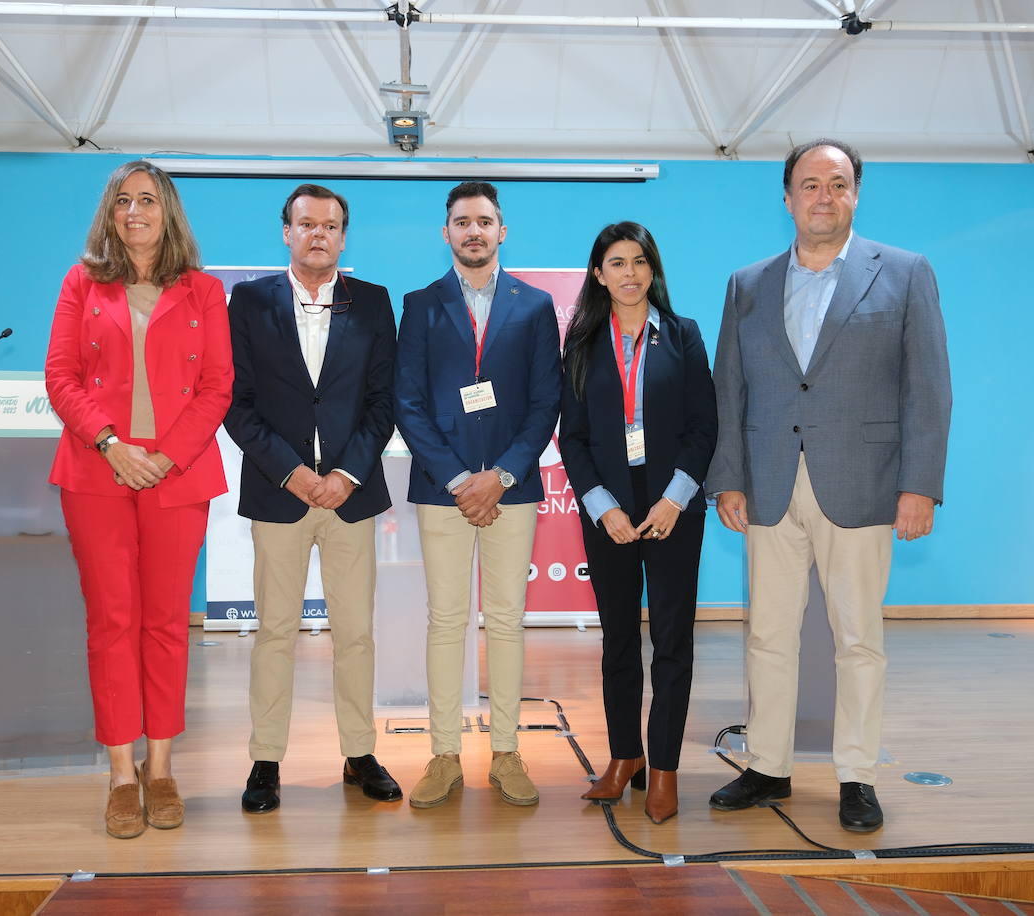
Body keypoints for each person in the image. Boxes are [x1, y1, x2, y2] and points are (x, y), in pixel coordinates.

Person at [706, 138, 951, 832]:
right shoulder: (747, 284)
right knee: (769, 635)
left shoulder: (904, 273)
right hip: (768, 486)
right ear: (787, 198)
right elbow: (730, 389)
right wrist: (727, 478)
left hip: (866, 485)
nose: (823, 196)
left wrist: (919, 486)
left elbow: (929, 389)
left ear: (855, 194)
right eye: (809, 184)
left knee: (858, 639)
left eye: (837, 184)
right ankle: (768, 766)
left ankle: (857, 776)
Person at [45, 160, 233, 838]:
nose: (134, 211)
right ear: (110, 213)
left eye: (147, 200)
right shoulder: (81, 283)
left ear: (167, 212)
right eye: (122, 200)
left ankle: (161, 768)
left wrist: (164, 456)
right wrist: (111, 444)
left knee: (164, 623)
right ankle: (121, 774)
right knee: (112, 622)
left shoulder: (205, 291)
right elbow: (60, 375)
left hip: (176, 471)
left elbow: (217, 386)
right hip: (99, 469)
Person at [223, 183, 401, 813]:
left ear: (343, 237)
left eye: (331, 225)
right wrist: (293, 473)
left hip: (350, 496)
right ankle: (266, 760)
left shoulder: (373, 303)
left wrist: (346, 474)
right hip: (281, 494)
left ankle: (359, 753)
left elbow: (385, 402)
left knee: (355, 633)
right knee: (275, 632)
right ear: (287, 232)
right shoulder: (248, 301)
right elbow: (235, 406)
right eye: (307, 224)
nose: (319, 233)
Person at [394, 180, 562, 808]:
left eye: (484, 221)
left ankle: (507, 753)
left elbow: (547, 401)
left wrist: (504, 475)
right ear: (447, 233)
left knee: (509, 623)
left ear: (502, 231)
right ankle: (443, 756)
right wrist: (462, 479)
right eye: (461, 221)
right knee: (446, 622)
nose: (473, 231)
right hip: (444, 491)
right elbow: (407, 402)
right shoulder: (421, 304)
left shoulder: (537, 305)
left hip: (511, 491)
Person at [559, 222, 717, 824]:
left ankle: (665, 768)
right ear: (598, 274)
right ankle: (625, 758)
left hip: (672, 505)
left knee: (672, 641)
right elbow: (571, 438)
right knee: (619, 639)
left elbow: (705, 426)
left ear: (653, 269)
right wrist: (604, 507)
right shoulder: (580, 343)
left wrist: (675, 499)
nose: (629, 273)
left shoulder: (684, 335)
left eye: (640, 261)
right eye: (616, 263)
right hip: (610, 509)